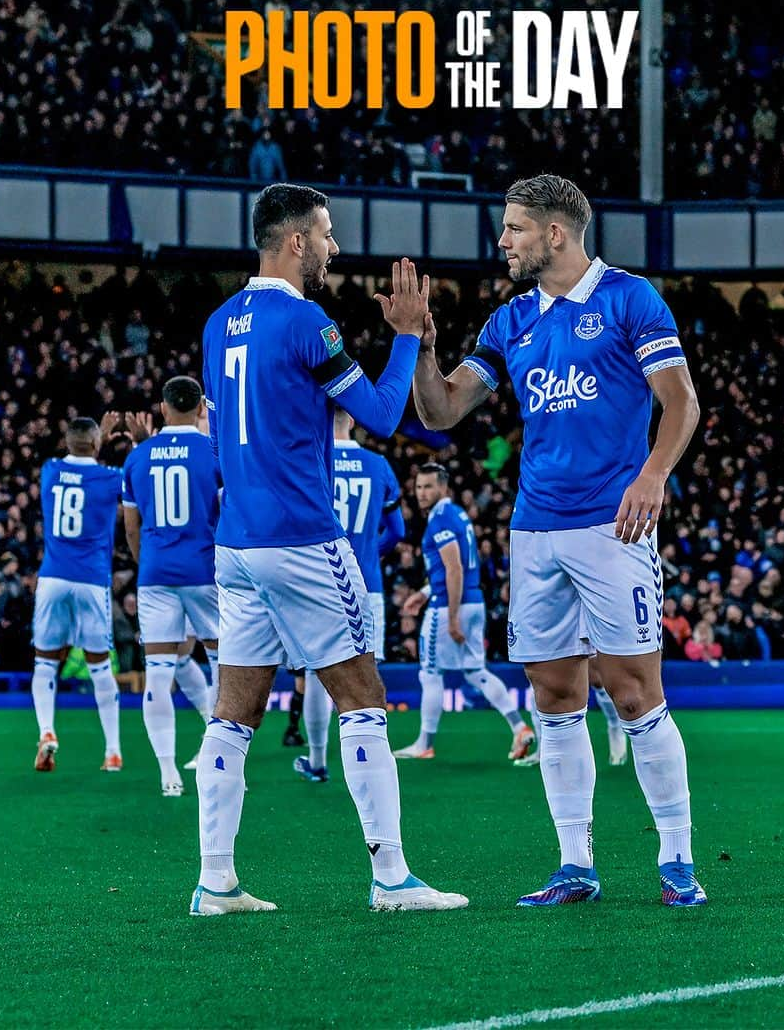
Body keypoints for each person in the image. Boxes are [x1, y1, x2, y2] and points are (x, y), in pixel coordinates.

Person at [411, 174, 706, 908]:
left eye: (513, 228)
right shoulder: (510, 322)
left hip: (613, 526)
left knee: (637, 694)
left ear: (556, 233)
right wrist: (419, 347)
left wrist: (654, 474)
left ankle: (677, 860)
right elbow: (443, 410)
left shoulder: (630, 300)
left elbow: (681, 401)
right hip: (535, 532)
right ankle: (575, 863)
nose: (502, 241)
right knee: (553, 696)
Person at [192, 183, 466, 915]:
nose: (333, 248)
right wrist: (408, 336)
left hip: (237, 543)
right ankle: (392, 878)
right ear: (294, 242)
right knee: (363, 697)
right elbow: (377, 413)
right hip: (304, 539)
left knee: (234, 712)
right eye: (326, 234)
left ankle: (215, 880)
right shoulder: (307, 321)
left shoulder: (220, 325)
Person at [293, 407, 406, 784]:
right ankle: (373, 760)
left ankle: (317, 760)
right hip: (365, 582)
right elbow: (397, 531)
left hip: (316, 580)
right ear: (354, 420)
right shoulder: (378, 465)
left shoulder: (309, 458)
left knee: (314, 673)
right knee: (365, 673)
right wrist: (370, 553)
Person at [121, 377, 222, 797]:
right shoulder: (213, 451)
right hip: (205, 570)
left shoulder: (137, 457)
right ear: (201, 407)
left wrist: (148, 564)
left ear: (163, 408)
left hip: (157, 574)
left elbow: (131, 526)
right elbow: (228, 510)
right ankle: (220, 761)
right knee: (224, 666)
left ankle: (168, 773)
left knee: (159, 675)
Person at [394, 462, 534, 761]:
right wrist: (423, 592)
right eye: (418, 487)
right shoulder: (458, 514)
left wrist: (452, 615)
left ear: (443, 487)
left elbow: (454, 568)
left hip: (449, 606)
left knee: (430, 674)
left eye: (428, 486)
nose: (421, 492)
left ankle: (424, 744)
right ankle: (519, 726)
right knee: (475, 671)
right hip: (474, 600)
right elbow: (459, 568)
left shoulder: (440, 519)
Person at [32, 416, 125, 773]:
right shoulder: (108, 477)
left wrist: (93, 437)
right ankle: (113, 751)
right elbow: (122, 480)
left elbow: (78, 456)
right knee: (100, 667)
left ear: (68, 441)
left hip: (53, 577)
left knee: (44, 662)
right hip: (91, 579)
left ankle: (47, 731)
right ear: (97, 443)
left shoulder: (50, 470)